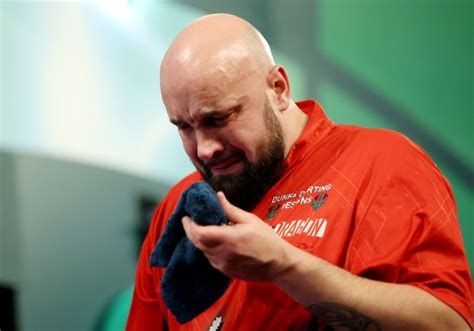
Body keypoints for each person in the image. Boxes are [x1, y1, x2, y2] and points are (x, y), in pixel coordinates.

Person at [126, 13, 472, 330]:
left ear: (277, 89)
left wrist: (285, 266)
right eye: (184, 127)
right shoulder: (179, 208)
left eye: (218, 118)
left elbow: (450, 325)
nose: (204, 149)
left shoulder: (380, 165)